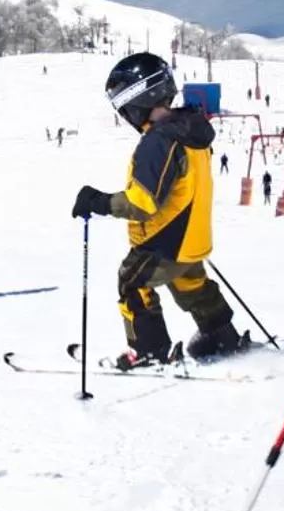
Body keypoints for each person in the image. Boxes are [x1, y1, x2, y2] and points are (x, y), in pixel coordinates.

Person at [71, 52, 247, 370]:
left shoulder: (158, 141)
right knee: (191, 285)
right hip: (193, 240)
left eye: (124, 108)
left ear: (138, 100)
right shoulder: (192, 130)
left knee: (131, 282)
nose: (126, 116)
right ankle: (223, 336)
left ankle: (149, 351)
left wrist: (98, 202)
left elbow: (142, 204)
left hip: (165, 241)